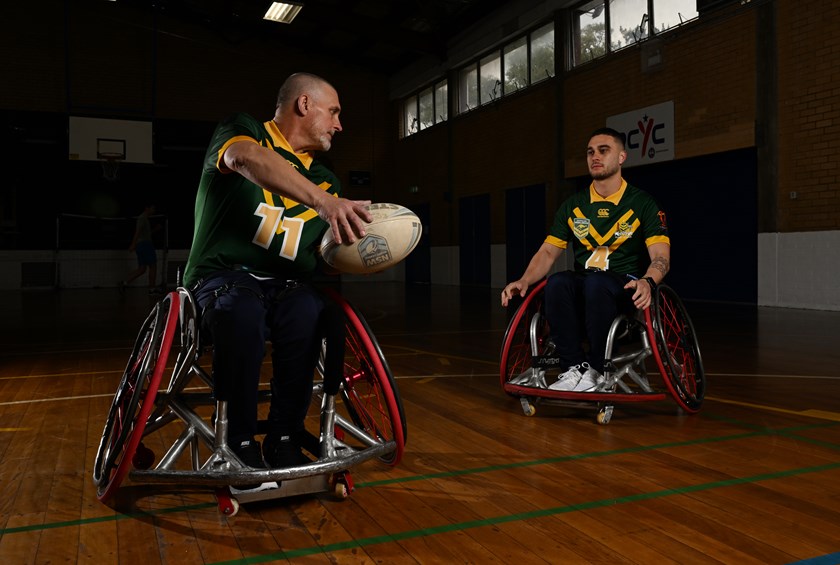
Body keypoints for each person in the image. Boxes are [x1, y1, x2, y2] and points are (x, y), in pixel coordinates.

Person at [181, 73, 372, 475]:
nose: (340, 125)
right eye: (334, 112)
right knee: (241, 312)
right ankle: (238, 439)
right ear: (304, 104)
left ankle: (284, 437)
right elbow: (245, 158)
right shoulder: (244, 130)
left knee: (311, 312)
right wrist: (324, 203)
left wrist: (371, 248)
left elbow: (323, 256)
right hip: (221, 277)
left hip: (285, 286)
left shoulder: (327, 181)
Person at [501, 127, 670, 392]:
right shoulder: (574, 205)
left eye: (604, 151)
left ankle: (597, 370)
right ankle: (573, 368)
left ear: (622, 157)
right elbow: (547, 252)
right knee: (556, 282)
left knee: (597, 283)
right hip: (587, 286)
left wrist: (649, 281)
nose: (595, 157)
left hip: (623, 287)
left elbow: (661, 256)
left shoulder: (643, 203)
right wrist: (524, 280)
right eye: (591, 152)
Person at [120, 203, 161, 294]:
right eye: (152, 208)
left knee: (142, 269)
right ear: (147, 208)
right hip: (145, 245)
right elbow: (137, 232)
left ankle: (124, 283)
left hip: (141, 245)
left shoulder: (144, 219)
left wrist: (155, 230)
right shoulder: (142, 218)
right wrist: (132, 244)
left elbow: (145, 234)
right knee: (153, 266)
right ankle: (152, 289)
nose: (154, 211)